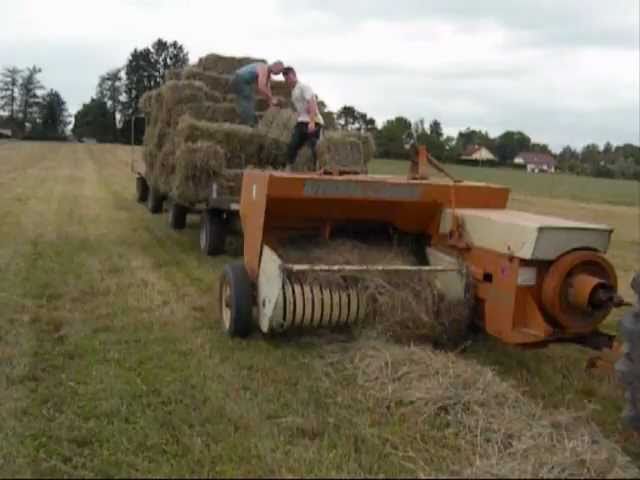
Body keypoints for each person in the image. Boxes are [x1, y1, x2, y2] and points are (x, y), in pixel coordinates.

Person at [282, 66, 325, 169]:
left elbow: (312, 102)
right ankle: (289, 168)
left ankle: (317, 168)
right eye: (286, 79)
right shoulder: (293, 91)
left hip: (314, 121)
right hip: (301, 122)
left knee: (313, 146)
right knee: (293, 144)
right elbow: (300, 108)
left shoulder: (303, 87)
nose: (287, 81)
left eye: (289, 77)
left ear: (294, 75)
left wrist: (312, 122)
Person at [230, 60, 284, 126]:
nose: (279, 73)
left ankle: (245, 119)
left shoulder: (268, 74)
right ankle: (249, 122)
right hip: (239, 79)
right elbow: (261, 86)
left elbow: (267, 89)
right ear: (275, 66)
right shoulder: (264, 68)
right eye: (279, 71)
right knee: (248, 99)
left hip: (242, 81)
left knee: (247, 99)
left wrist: (271, 102)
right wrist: (271, 99)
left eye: (280, 72)